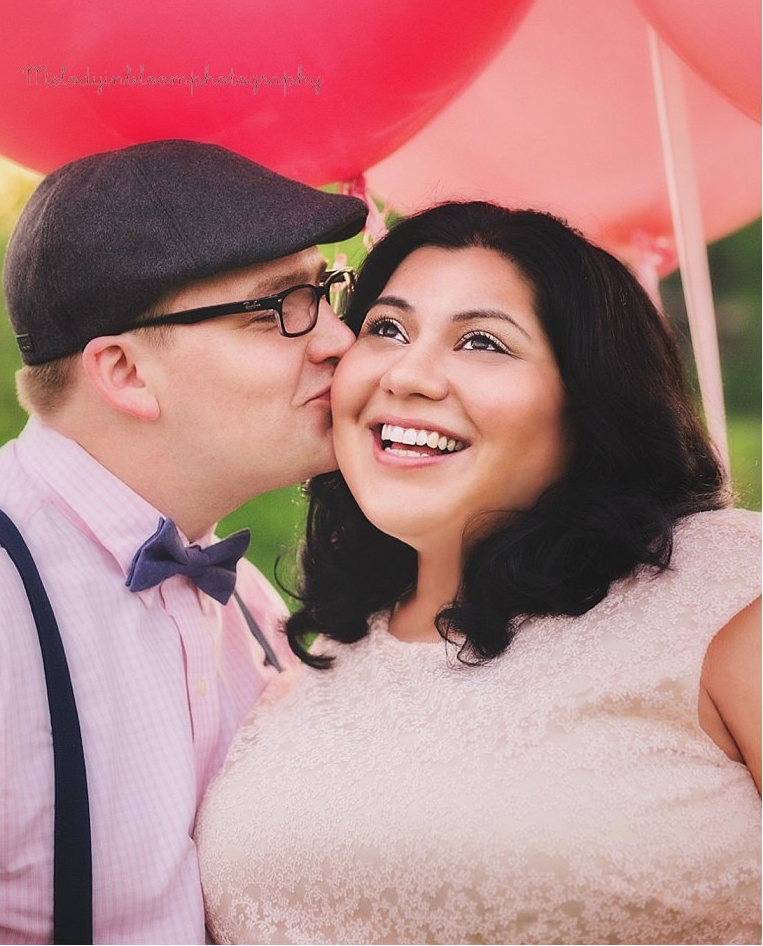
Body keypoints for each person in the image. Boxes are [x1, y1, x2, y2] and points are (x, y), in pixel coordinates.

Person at [196, 200, 761, 946]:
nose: (410, 374)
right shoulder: (310, 658)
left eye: (483, 342)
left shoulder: (726, 594)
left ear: (588, 399)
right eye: (387, 328)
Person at [0, 138, 366, 945]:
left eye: (324, 292)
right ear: (125, 373)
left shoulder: (247, 599)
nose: (337, 341)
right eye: (277, 306)